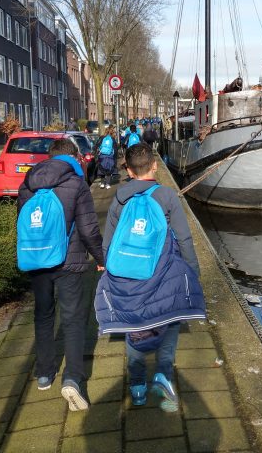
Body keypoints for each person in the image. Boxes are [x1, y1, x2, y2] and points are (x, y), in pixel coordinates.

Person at [98, 144, 203, 412]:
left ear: (129, 170)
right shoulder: (167, 196)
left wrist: (107, 267)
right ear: (154, 166)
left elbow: (108, 243)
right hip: (164, 272)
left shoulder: (119, 199)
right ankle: (163, 376)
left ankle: (137, 388)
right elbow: (185, 238)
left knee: (134, 326)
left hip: (129, 277)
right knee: (169, 318)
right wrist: (192, 273)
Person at [17, 138, 104, 410]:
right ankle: (73, 378)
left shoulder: (27, 184)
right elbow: (89, 228)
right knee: (74, 319)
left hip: (38, 260)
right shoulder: (76, 184)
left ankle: (44, 372)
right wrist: (101, 258)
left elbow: (23, 224)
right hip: (70, 261)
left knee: (43, 315)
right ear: (74, 157)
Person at [93, 125, 118, 189]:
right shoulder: (112, 139)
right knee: (109, 170)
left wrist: (95, 153)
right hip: (110, 156)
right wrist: (115, 158)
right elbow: (115, 149)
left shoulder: (102, 138)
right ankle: (108, 184)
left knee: (102, 169)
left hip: (102, 156)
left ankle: (102, 183)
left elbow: (96, 146)